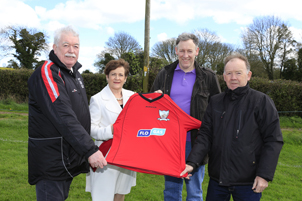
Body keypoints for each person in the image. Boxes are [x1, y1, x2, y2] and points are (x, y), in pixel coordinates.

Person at [181, 53, 284, 201]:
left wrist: (264, 175)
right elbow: (205, 136)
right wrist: (192, 163)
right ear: (224, 77)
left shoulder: (261, 102)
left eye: (238, 73)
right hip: (217, 181)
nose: (233, 77)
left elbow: (273, 140)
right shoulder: (215, 102)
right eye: (229, 73)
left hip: (248, 183)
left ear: (248, 75)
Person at [27, 25, 107, 201]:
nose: (72, 51)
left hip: (66, 158)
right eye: (66, 45)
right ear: (55, 48)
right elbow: (63, 115)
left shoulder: (74, 74)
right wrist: (89, 149)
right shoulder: (48, 72)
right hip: (52, 161)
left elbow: (79, 112)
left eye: (76, 46)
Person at [150, 32, 221, 201]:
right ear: (176, 50)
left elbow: (218, 109)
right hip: (170, 142)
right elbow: (151, 104)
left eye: (189, 51)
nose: (185, 55)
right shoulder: (165, 73)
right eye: (182, 51)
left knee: (194, 192)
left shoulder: (208, 77)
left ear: (197, 51)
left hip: (197, 142)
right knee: (171, 191)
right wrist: (155, 99)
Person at [85, 59, 136, 201]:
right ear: (107, 76)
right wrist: (111, 130)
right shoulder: (97, 99)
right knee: (103, 196)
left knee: (120, 194)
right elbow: (91, 129)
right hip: (106, 155)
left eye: (121, 75)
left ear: (125, 78)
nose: (117, 78)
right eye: (113, 74)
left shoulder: (133, 96)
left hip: (127, 154)